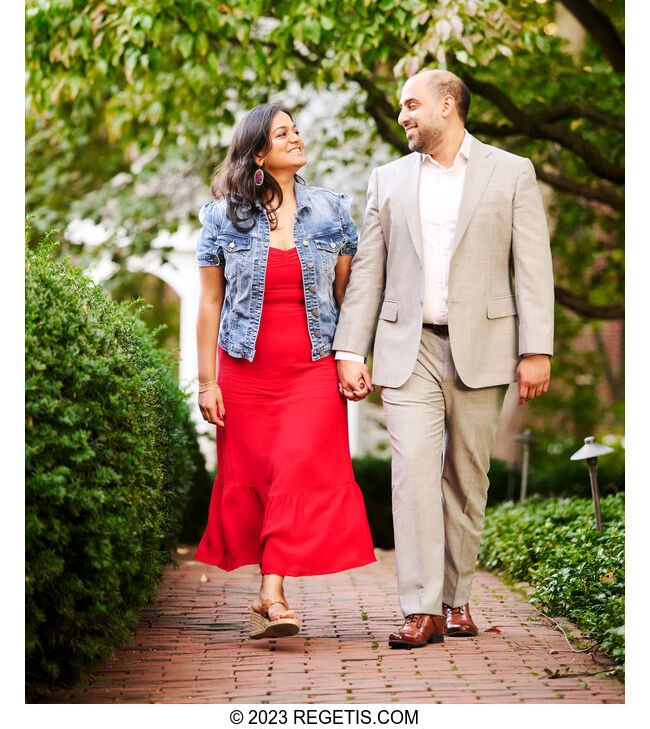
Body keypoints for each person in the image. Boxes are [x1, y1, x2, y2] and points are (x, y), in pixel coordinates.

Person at [334, 69, 554, 649]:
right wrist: (351, 350)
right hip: (410, 347)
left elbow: (531, 266)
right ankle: (420, 608)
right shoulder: (387, 179)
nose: (403, 116)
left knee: (466, 476)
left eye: (411, 105)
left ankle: (457, 602)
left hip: (483, 347)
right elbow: (369, 275)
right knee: (412, 477)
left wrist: (537, 349)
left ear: (448, 104)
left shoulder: (511, 172)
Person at [194, 103, 376, 640]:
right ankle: (269, 596)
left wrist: (355, 356)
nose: (296, 137)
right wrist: (207, 383)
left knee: (298, 471)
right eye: (283, 132)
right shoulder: (221, 216)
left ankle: (271, 595)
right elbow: (209, 303)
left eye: (297, 129)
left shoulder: (331, 211)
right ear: (257, 152)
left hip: (313, 368)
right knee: (261, 482)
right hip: (245, 371)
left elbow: (349, 295)